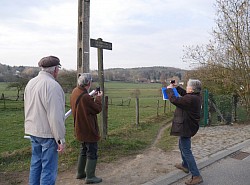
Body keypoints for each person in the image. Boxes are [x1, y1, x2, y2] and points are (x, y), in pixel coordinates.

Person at [24, 56, 66, 185]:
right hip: (47, 134)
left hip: (33, 130)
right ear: (54, 69)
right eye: (58, 68)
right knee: (48, 169)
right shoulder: (53, 86)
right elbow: (55, 116)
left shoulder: (31, 83)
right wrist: (60, 138)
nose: (58, 71)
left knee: (36, 165)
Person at [166, 79, 203, 185]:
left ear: (191, 89)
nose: (186, 87)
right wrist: (176, 87)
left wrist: (169, 90)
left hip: (186, 127)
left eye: (187, 86)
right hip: (188, 126)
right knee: (182, 146)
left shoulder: (190, 99)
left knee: (186, 150)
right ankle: (185, 165)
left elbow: (174, 100)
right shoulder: (196, 96)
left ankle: (196, 176)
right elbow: (185, 94)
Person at [70, 73, 103, 184]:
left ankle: (80, 173)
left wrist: (91, 98)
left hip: (79, 128)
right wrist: (98, 97)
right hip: (88, 129)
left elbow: (84, 106)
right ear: (88, 83)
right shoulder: (85, 97)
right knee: (92, 152)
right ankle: (90, 176)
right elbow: (97, 109)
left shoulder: (75, 91)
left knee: (83, 150)